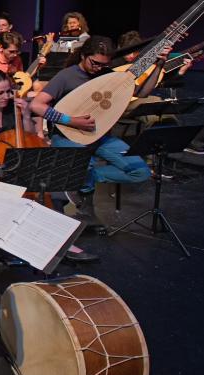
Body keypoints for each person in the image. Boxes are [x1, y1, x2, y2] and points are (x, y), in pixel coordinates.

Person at [30, 36, 167, 258]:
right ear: (84, 56)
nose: (98, 68)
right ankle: (85, 203)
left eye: (103, 64)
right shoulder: (67, 75)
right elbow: (36, 104)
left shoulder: (106, 75)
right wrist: (70, 120)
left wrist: (159, 64)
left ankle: (87, 178)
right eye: (94, 63)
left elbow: (141, 93)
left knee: (140, 171)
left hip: (100, 137)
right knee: (81, 166)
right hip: (69, 136)